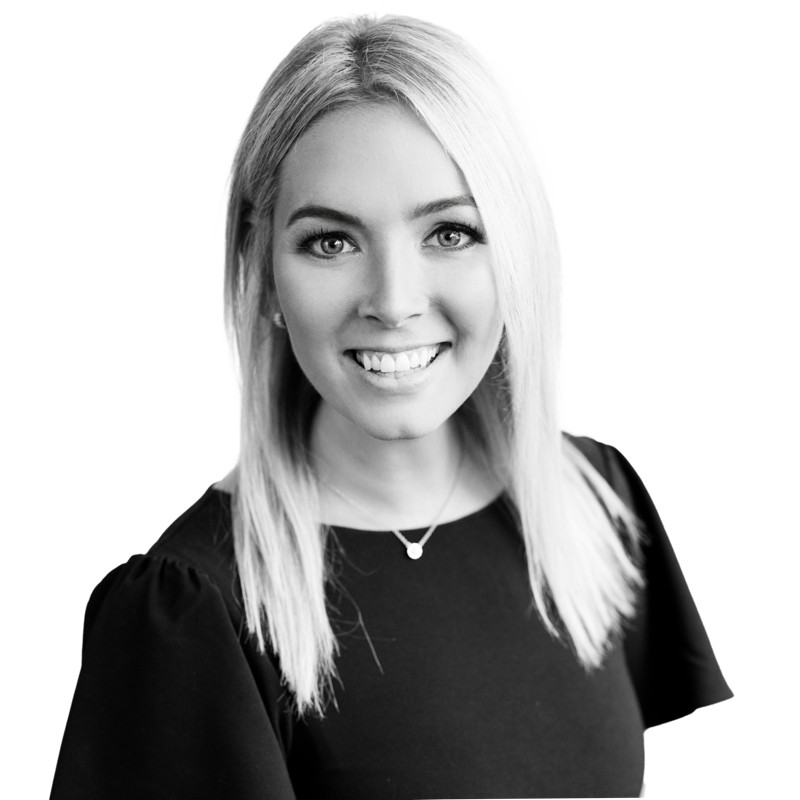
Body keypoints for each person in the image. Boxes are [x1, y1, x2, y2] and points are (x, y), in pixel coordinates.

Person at [50, 14, 732, 800]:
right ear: (262, 272)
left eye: (450, 232)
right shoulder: (192, 612)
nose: (395, 301)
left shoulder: (592, 505)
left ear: (516, 249)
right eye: (331, 242)